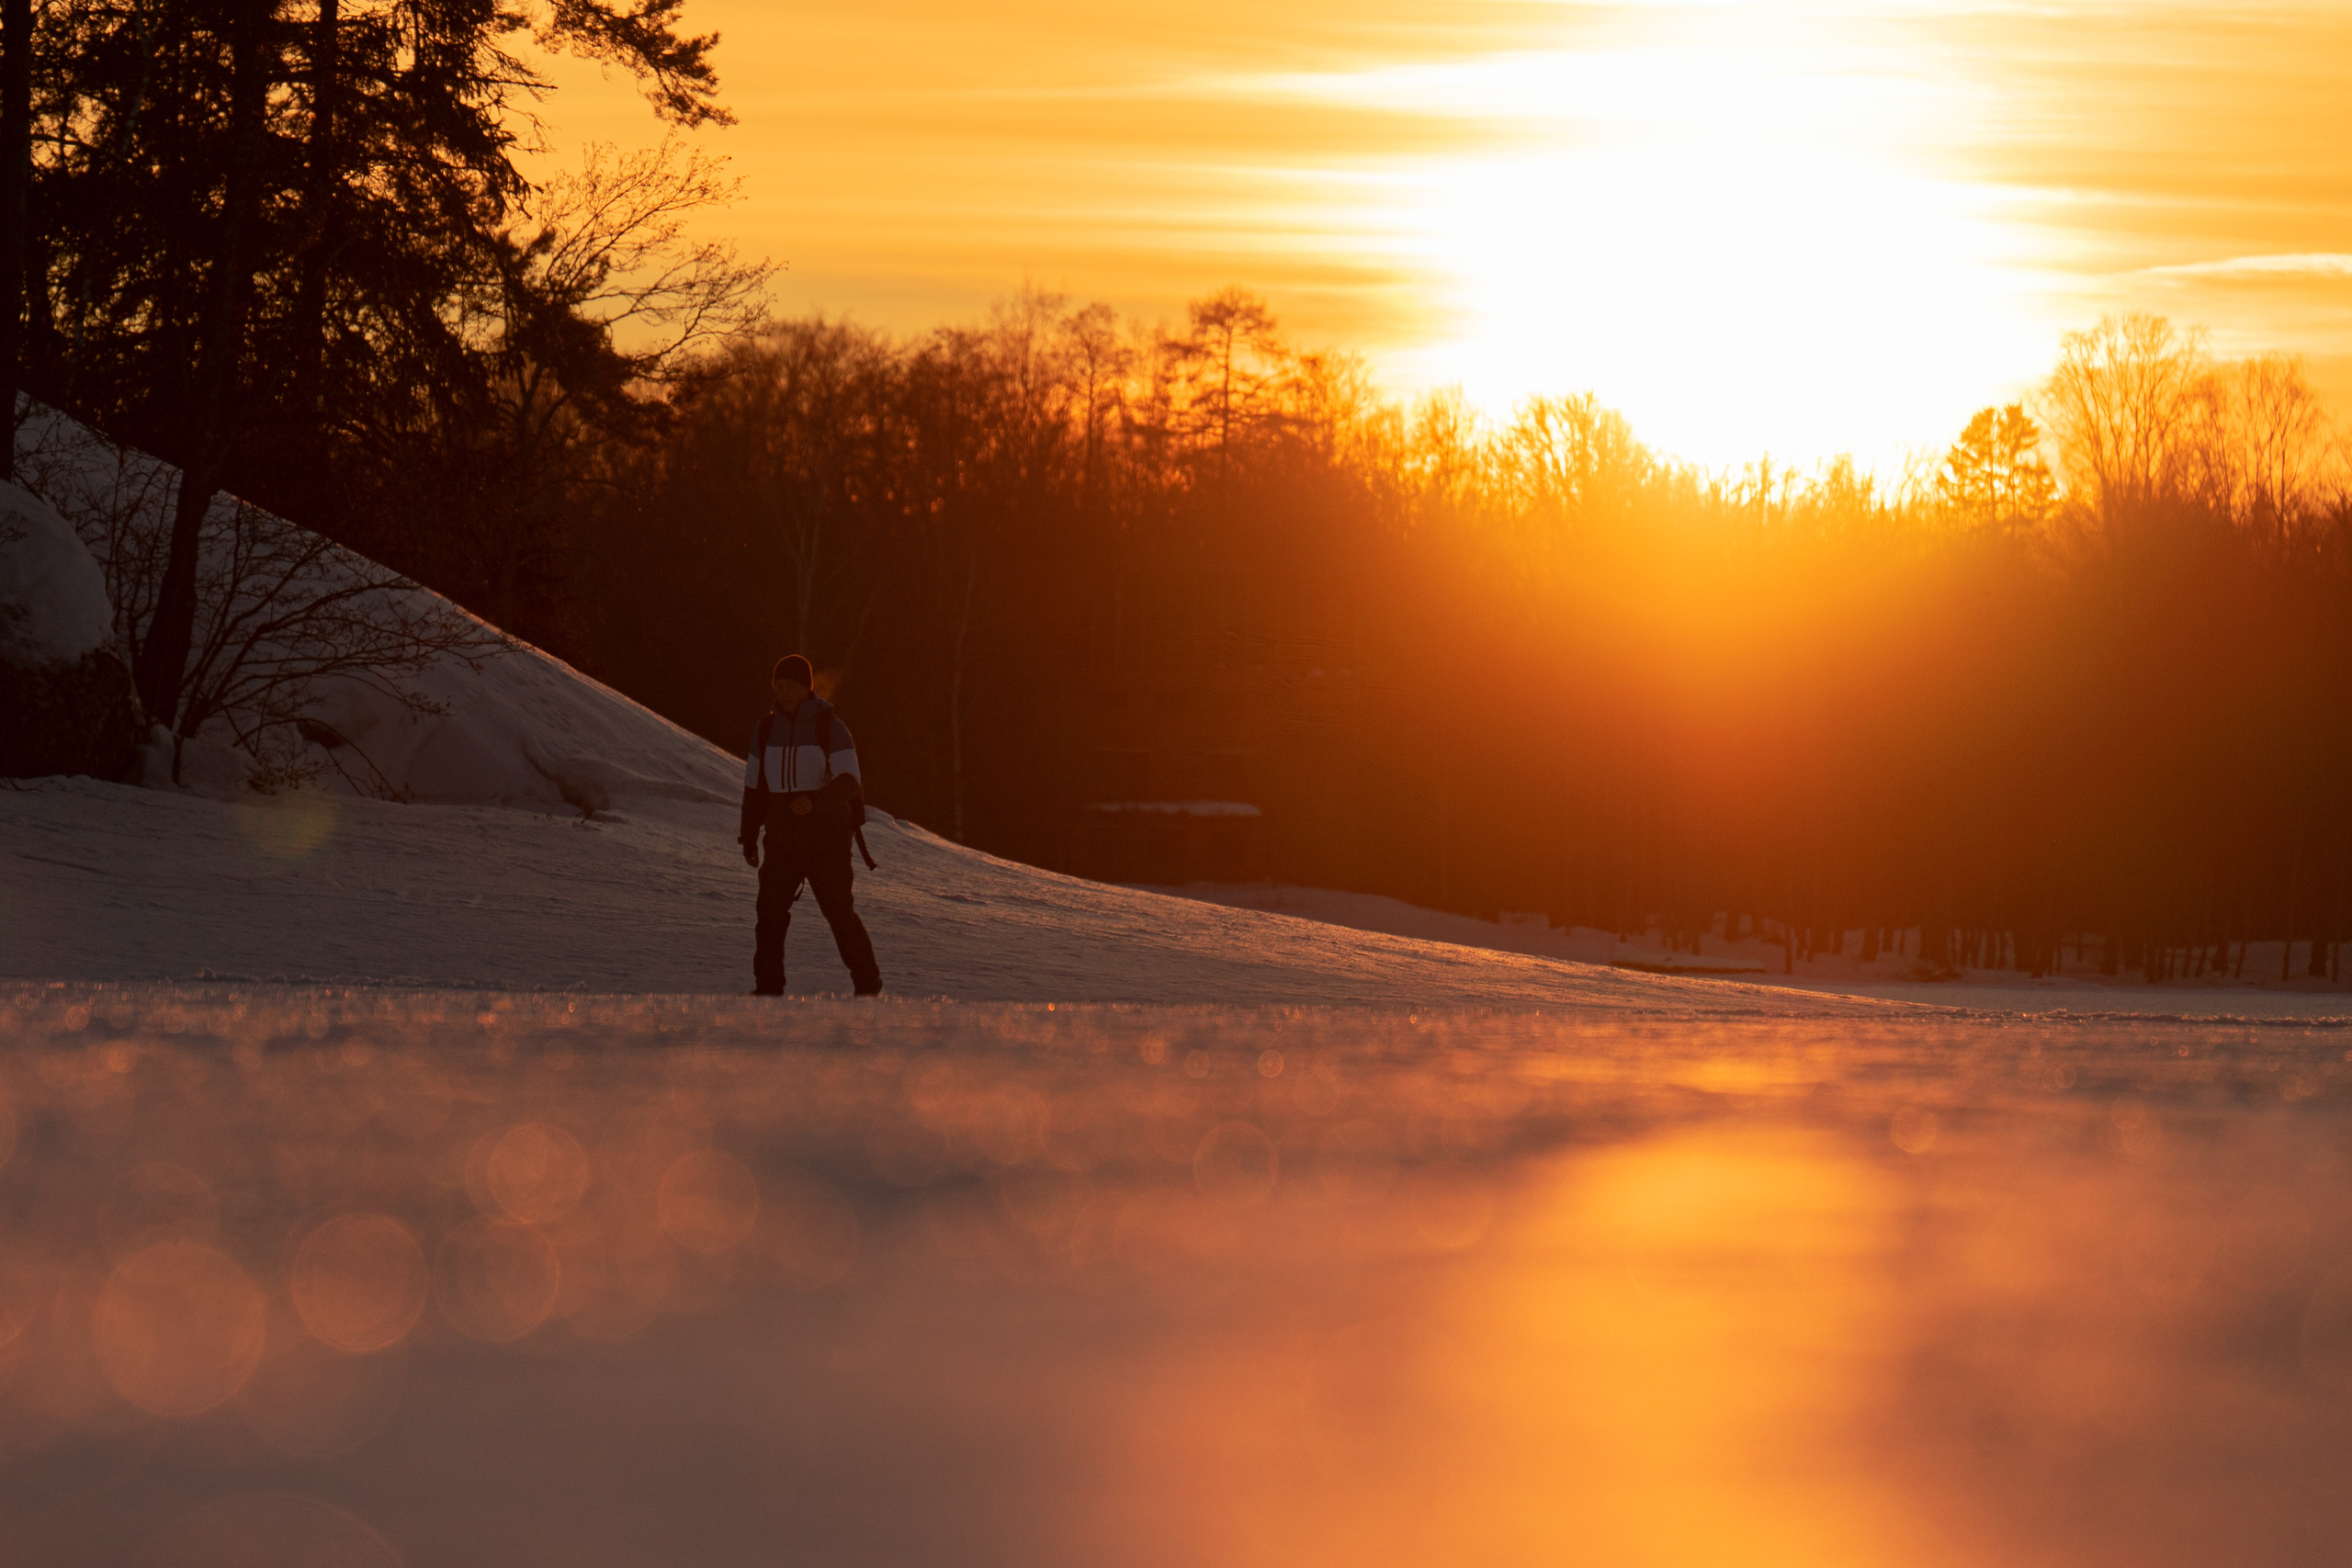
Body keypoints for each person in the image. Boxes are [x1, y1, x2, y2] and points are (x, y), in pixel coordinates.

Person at [740, 654, 883, 997]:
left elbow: (850, 781)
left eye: (792, 686)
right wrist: (748, 837)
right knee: (769, 916)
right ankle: (767, 990)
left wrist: (815, 802)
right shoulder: (765, 730)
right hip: (782, 843)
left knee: (839, 915)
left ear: (807, 688)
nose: (785, 692)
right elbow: (754, 789)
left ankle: (868, 986)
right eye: (780, 686)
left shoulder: (830, 727)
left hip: (827, 843)